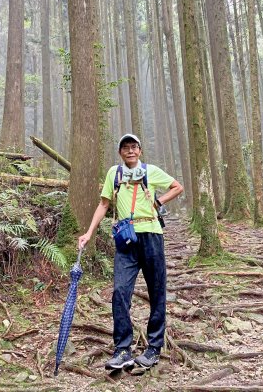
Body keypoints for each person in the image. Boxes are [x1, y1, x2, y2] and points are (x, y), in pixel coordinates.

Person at [78, 133, 184, 371]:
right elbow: (104, 204)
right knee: (119, 291)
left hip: (152, 236)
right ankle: (123, 349)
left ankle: (154, 347)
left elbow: (178, 187)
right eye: (125, 148)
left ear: (140, 150)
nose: (130, 151)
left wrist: (158, 202)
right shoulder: (113, 174)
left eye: (134, 147)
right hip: (126, 239)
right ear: (120, 152)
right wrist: (88, 233)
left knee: (156, 291)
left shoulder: (151, 171)